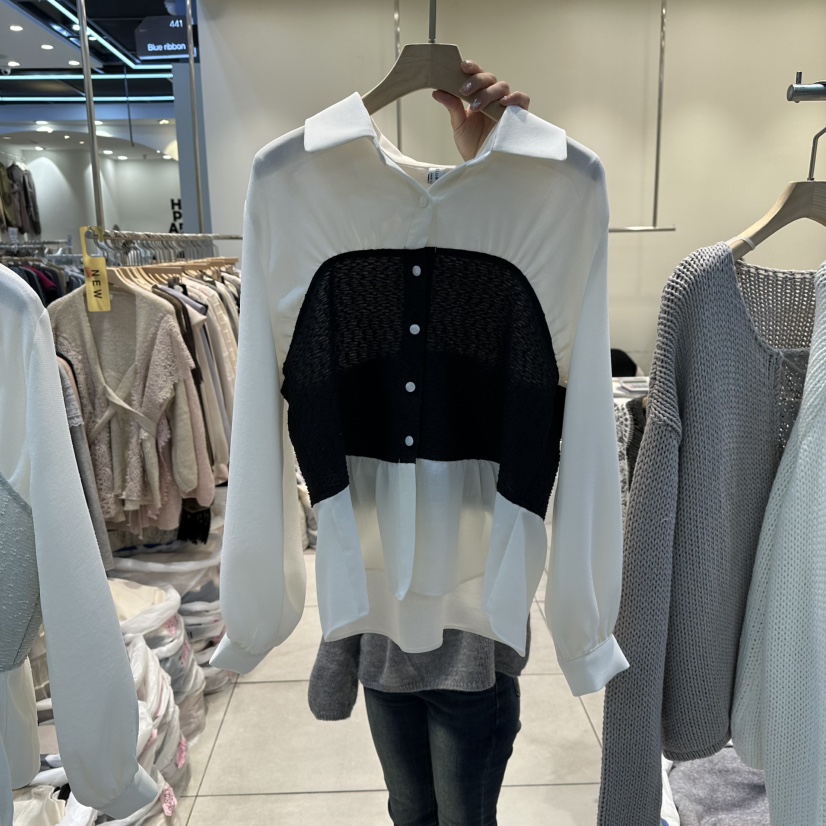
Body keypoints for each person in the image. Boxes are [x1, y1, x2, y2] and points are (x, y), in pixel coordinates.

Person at [308, 62, 532, 826]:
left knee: (462, 815)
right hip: (383, 644)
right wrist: (340, 646)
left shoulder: (499, 293)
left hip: (470, 645)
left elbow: (528, 261)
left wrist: (497, 169)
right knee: (409, 810)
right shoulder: (349, 288)